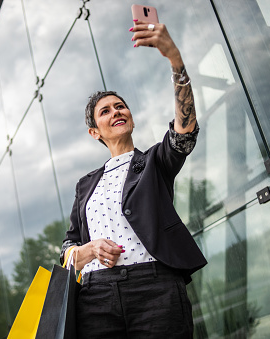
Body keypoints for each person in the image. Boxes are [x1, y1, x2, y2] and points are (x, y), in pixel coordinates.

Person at [60, 19, 207, 339]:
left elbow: (185, 132)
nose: (116, 111)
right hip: (96, 299)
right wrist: (89, 250)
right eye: (105, 111)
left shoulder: (154, 161)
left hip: (156, 291)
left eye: (120, 106)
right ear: (94, 132)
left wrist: (175, 60)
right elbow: (68, 249)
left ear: (131, 117)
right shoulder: (86, 185)